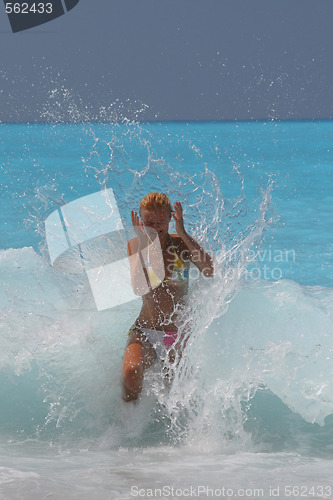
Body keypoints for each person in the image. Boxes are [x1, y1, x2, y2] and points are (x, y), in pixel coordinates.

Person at [122, 192, 214, 402]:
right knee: (130, 374)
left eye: (160, 221)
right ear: (141, 221)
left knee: (177, 395)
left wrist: (182, 232)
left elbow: (209, 270)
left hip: (177, 334)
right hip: (145, 330)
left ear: (171, 218)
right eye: (149, 222)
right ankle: (126, 423)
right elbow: (137, 287)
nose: (155, 226)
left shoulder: (183, 245)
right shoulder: (136, 245)